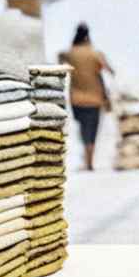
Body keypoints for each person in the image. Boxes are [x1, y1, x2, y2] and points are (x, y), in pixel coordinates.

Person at [59, 22, 114, 172]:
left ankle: (86, 158)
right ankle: (89, 161)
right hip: (95, 98)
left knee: (83, 129)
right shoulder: (94, 53)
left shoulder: (70, 53)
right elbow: (109, 70)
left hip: (76, 98)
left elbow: (60, 63)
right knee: (92, 130)